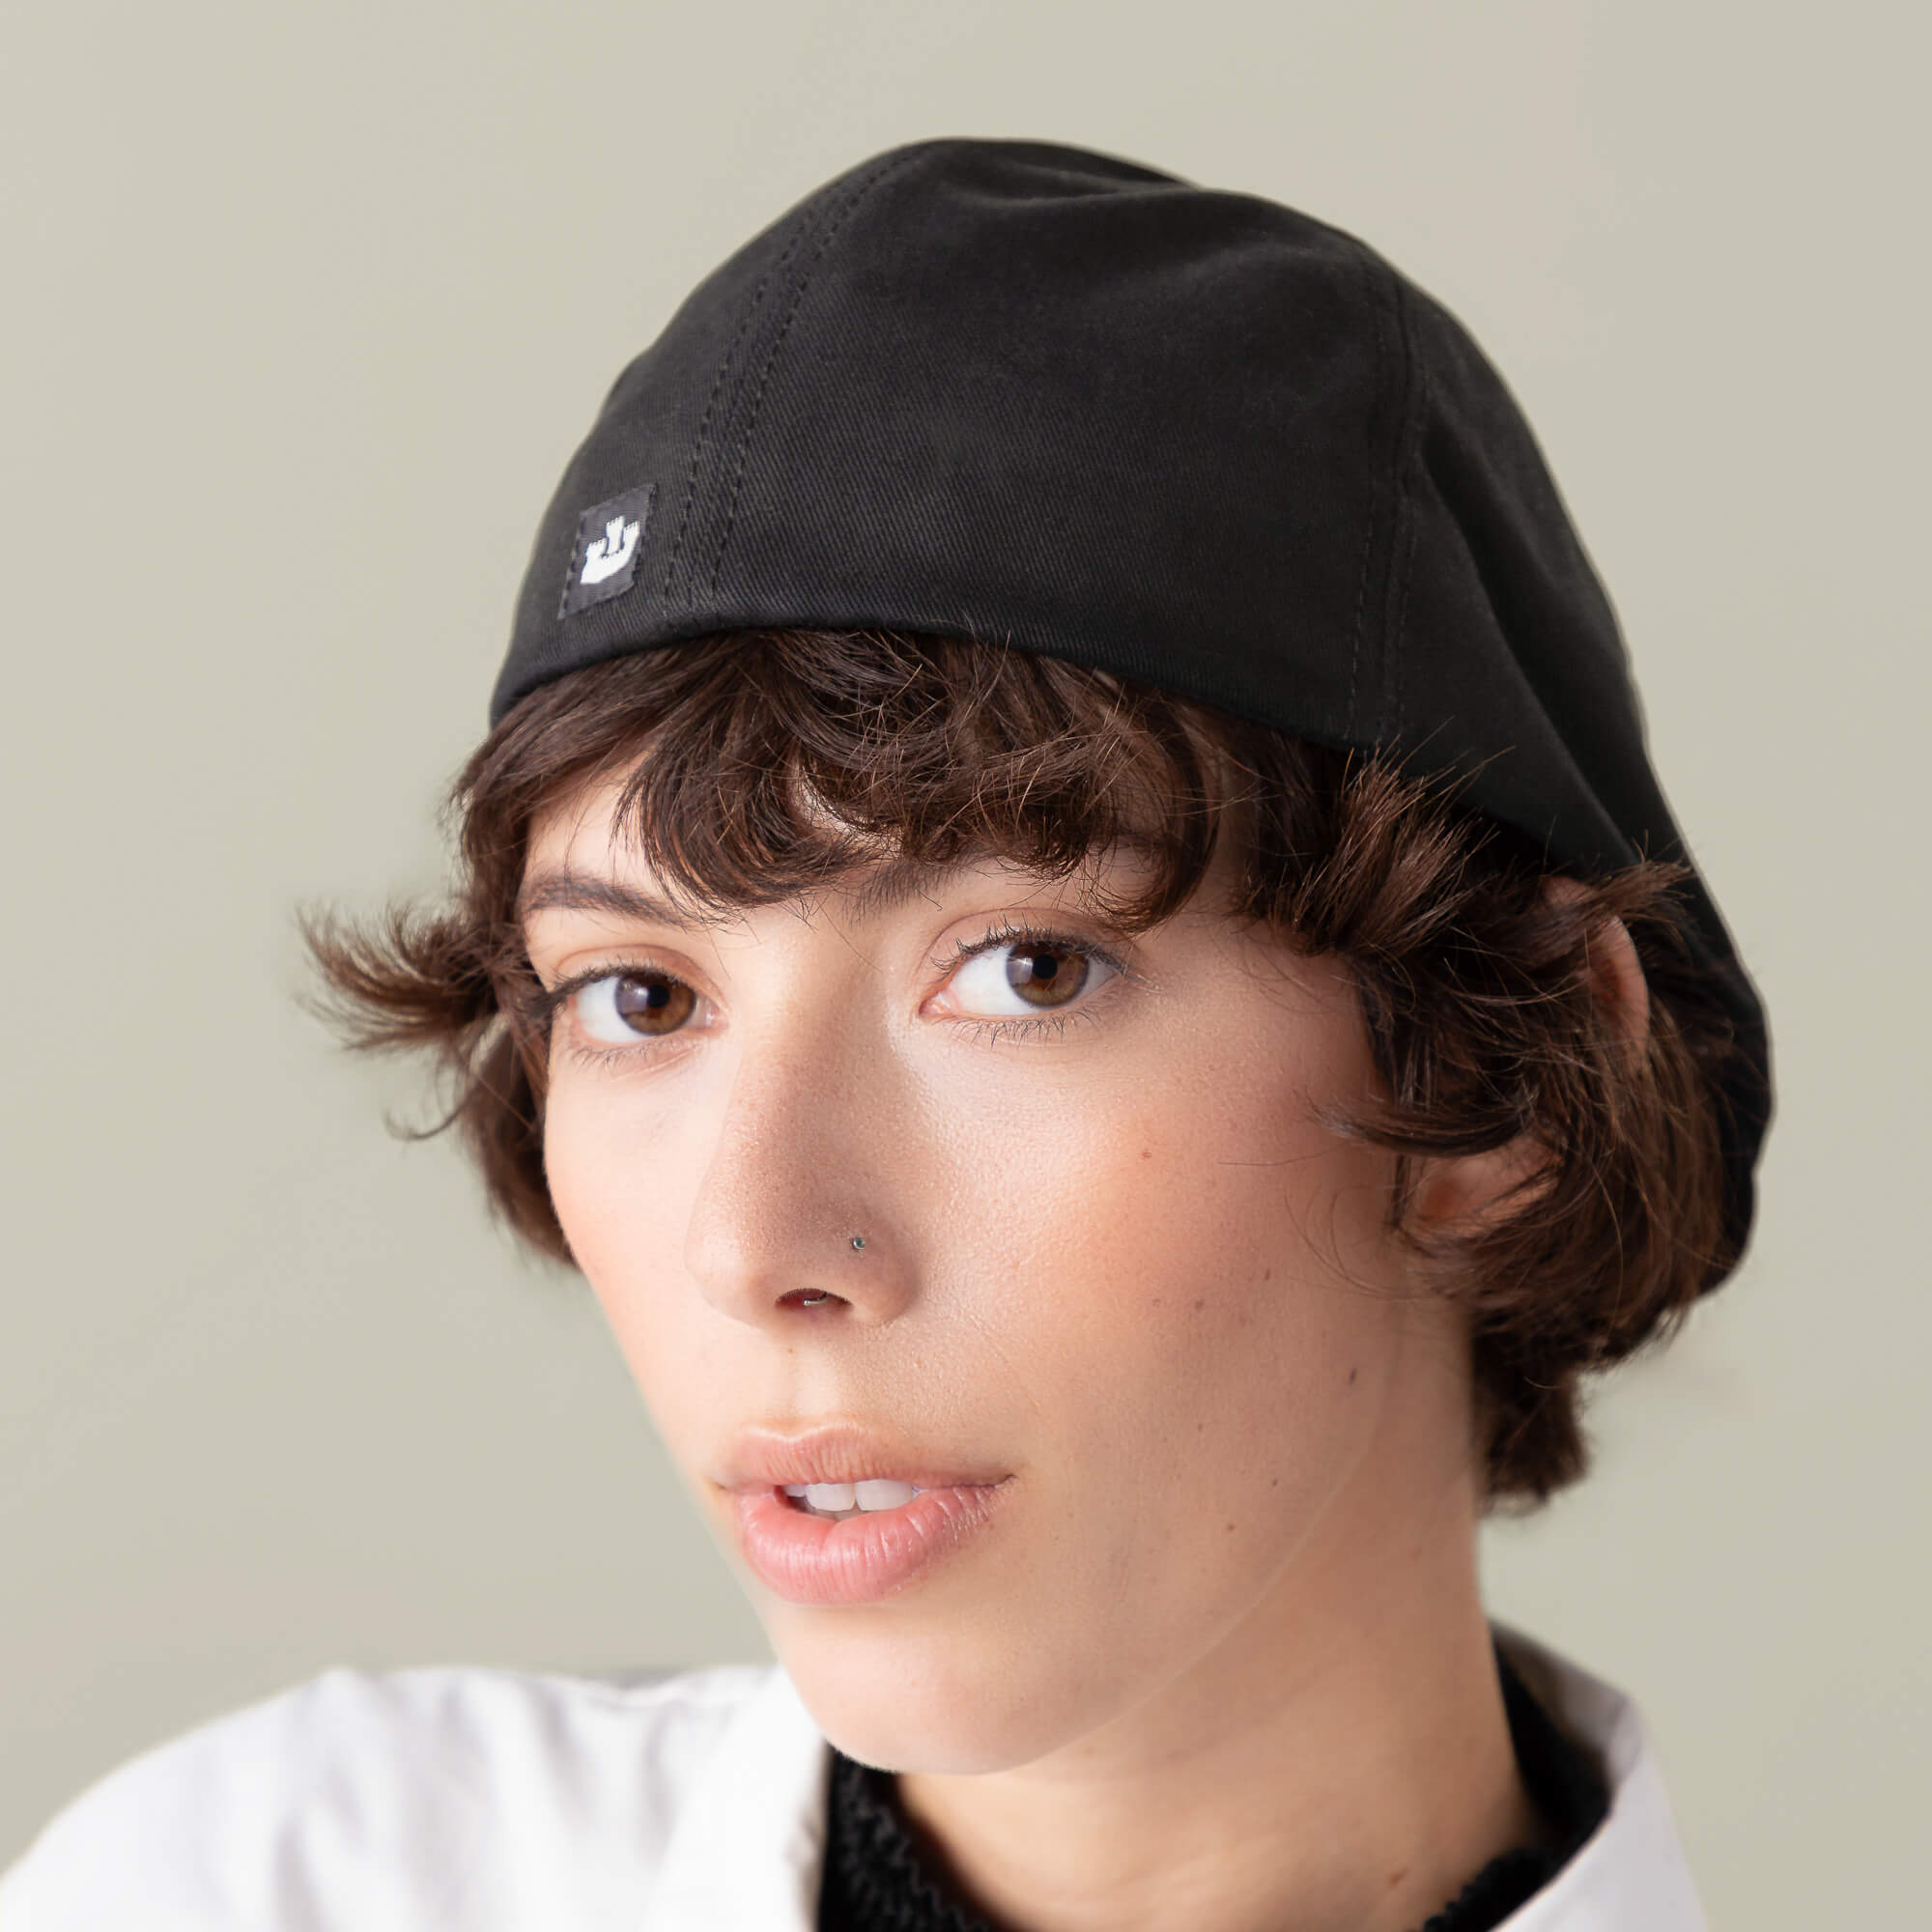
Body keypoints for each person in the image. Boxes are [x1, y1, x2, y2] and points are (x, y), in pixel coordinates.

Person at [0, 137, 1772, 1931]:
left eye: (1025, 972)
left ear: (1501, 1080)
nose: (757, 1243)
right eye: (643, 997)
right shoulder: (245, 1887)